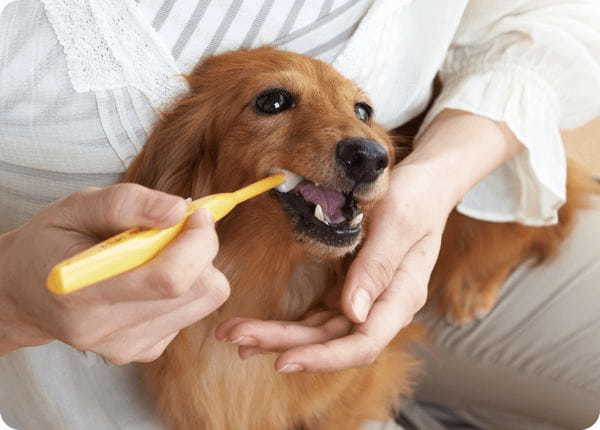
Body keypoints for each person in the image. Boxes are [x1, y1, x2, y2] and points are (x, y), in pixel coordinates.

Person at [1, 1, 599, 429]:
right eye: (275, 103)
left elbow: (559, 20)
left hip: (438, 213)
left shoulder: (358, 180)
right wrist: (10, 303)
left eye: (363, 112)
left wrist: (439, 178)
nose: (363, 144)